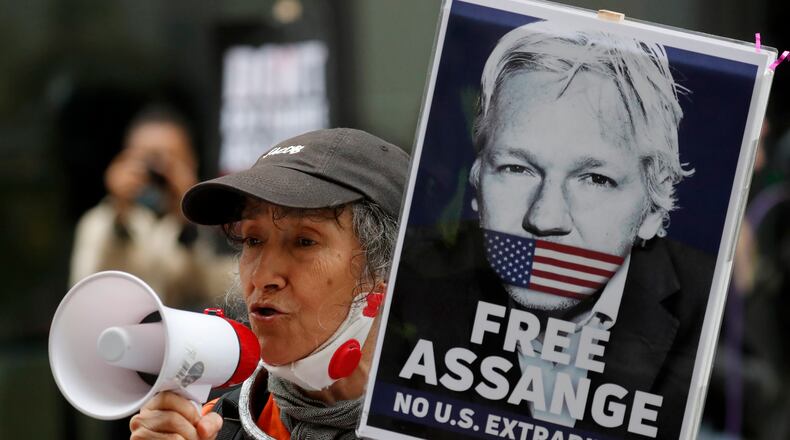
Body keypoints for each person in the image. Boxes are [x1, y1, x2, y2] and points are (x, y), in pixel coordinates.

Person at [381, 22, 714, 440]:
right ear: (478, 181)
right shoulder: (402, 285)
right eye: (518, 168)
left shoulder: (712, 312)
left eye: (593, 178)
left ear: (651, 205)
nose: (544, 217)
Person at [129, 128, 409, 439]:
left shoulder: (460, 423)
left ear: (387, 268)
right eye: (252, 239)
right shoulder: (205, 429)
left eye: (304, 241)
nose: (262, 277)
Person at [69, 105, 235, 310]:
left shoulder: (215, 222)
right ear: (124, 162)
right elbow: (85, 290)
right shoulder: (99, 222)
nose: (158, 172)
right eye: (147, 160)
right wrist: (120, 215)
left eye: (170, 160)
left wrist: (187, 216)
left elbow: (219, 291)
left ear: (191, 162)